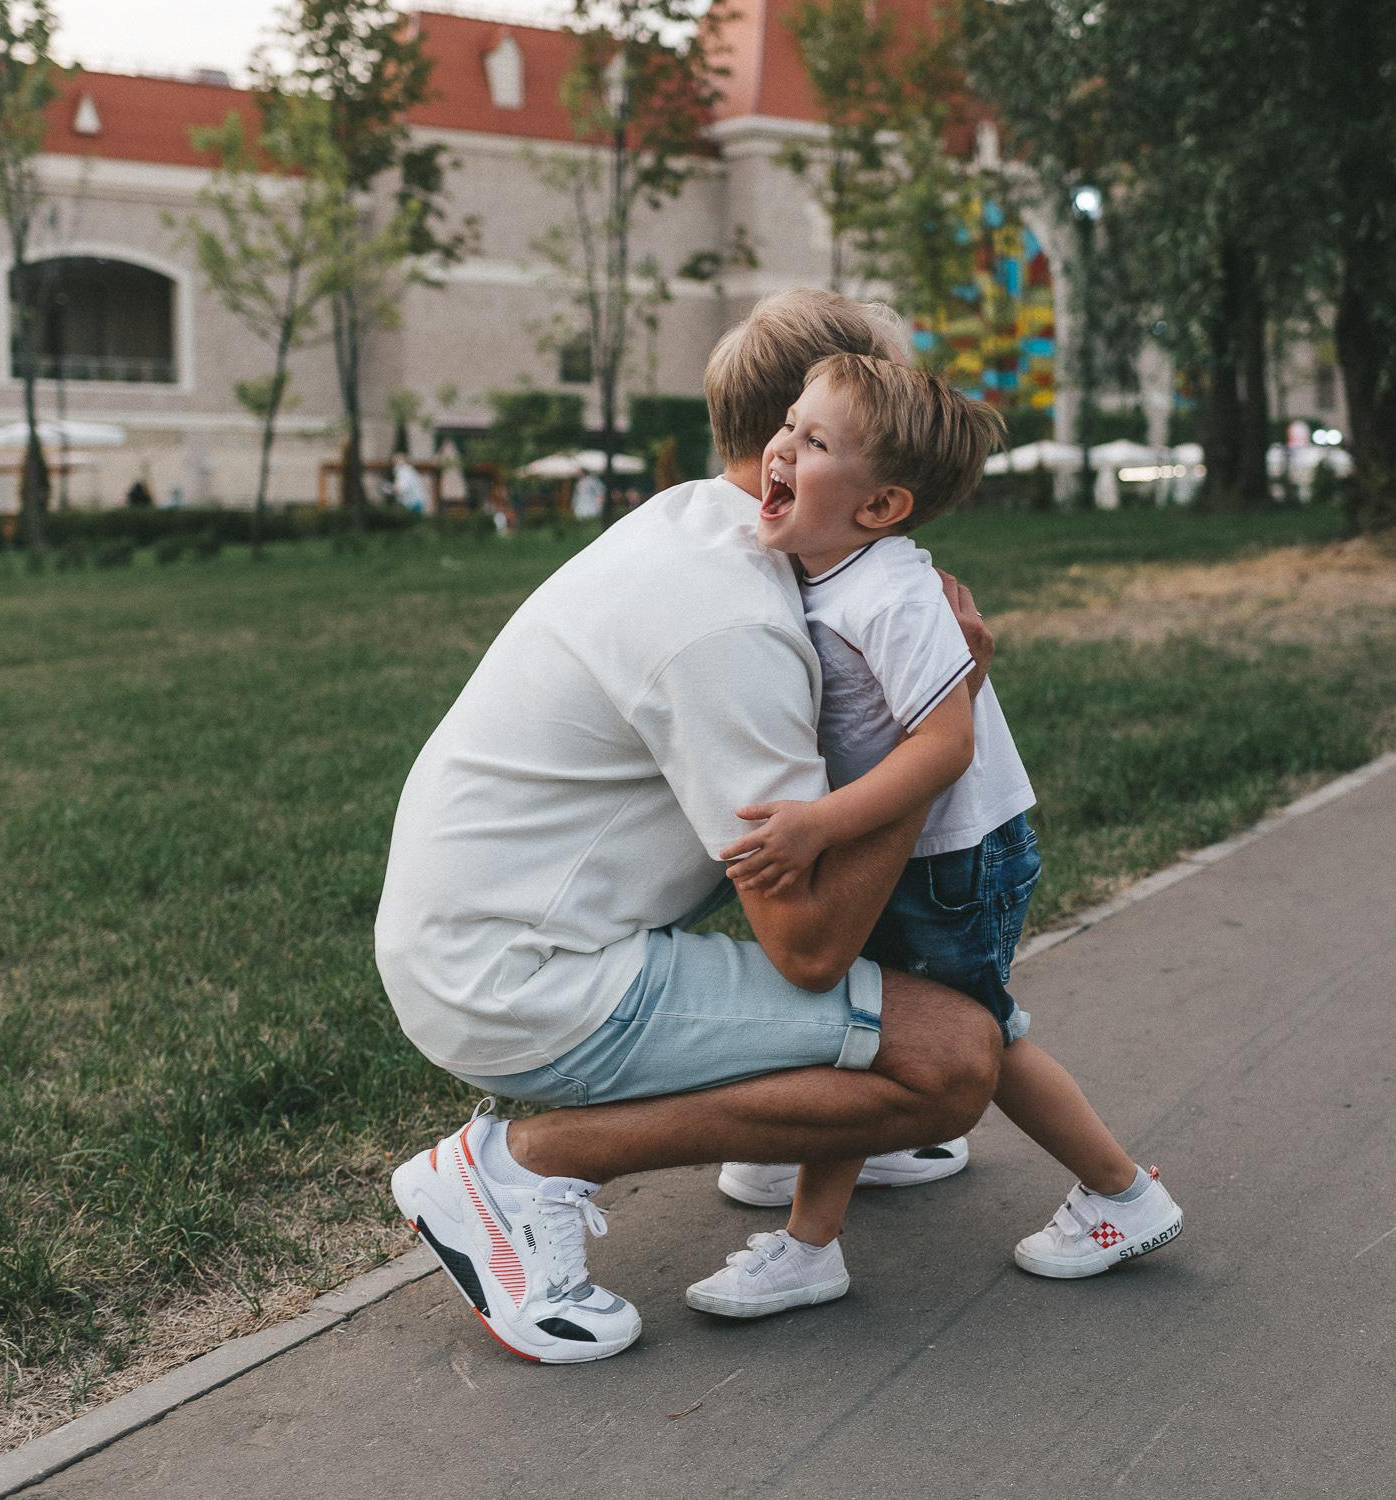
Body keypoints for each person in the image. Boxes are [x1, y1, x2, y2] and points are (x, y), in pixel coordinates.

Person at [376, 290, 1003, 1365]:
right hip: (521, 977)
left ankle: (779, 1143)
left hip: (498, 935)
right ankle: (517, 1170)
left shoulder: (693, 525)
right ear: (796, 441)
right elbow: (807, 951)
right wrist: (927, 741)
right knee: (951, 1064)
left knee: (895, 1042)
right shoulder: (731, 625)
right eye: (882, 402)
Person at [683, 355, 1184, 1320]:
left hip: (952, 860)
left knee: (938, 1038)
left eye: (815, 442)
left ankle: (1119, 1196)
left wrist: (817, 824)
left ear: (880, 506)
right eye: (789, 424)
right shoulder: (833, 569)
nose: (781, 448)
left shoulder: (891, 593)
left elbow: (946, 743)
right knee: (885, 1034)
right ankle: (819, 1240)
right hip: (929, 856)